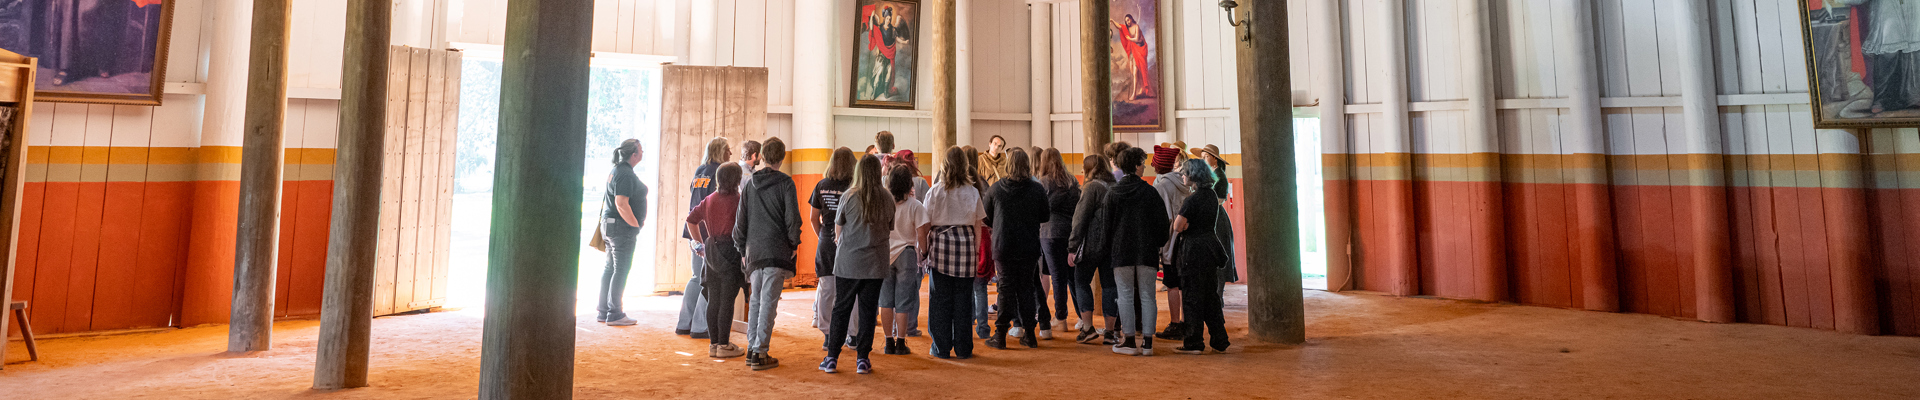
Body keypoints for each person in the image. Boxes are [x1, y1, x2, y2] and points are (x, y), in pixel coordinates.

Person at [822, 155, 895, 375]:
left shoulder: (849, 196)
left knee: (841, 309)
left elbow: (838, 229)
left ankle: (832, 358)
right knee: (868, 311)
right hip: (875, 263)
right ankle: (863, 359)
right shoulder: (887, 197)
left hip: (848, 262)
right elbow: (890, 227)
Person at [734, 137, 802, 371]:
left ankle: (753, 348)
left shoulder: (751, 183)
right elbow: (792, 219)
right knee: (768, 304)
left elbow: (740, 221)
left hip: (754, 252)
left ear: (762, 156)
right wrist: (794, 243)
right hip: (776, 250)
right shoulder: (786, 183)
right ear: (782, 158)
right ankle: (760, 353)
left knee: (755, 301)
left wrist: (742, 248)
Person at [1104, 146, 1170, 356]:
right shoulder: (1150, 192)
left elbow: (1106, 226)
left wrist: (1109, 249)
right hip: (1146, 250)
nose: (1144, 166)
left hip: (1121, 251)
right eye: (1142, 163)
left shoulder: (1113, 192)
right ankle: (1148, 343)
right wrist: (1159, 243)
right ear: (1135, 165)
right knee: (1147, 296)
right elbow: (1162, 224)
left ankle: (1129, 340)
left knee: (1124, 295)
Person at [983, 148, 1050, 350]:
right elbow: (1045, 216)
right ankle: (1030, 335)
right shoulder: (1037, 189)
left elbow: (986, 217)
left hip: (1003, 246)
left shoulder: (995, 189)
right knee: (1026, 289)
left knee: (1005, 289)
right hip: (1029, 246)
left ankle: (1000, 334)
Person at [923, 146, 986, 359]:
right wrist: (977, 253)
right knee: (963, 301)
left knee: (940, 301)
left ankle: (940, 347)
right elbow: (978, 226)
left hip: (941, 247)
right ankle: (963, 348)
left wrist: (923, 250)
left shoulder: (936, 191)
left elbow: (926, 223)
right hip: (966, 247)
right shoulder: (973, 192)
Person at [1170, 159, 1232, 355]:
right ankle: (1219, 339)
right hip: (1209, 248)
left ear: (1193, 176)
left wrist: (1186, 225)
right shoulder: (1212, 196)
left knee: (1192, 297)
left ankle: (1194, 342)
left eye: (1185, 172)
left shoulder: (1192, 200)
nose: (1182, 175)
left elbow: (1178, 226)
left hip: (1192, 250)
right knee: (1210, 296)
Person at [688, 163, 747, 358]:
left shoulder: (709, 200)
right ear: (737, 180)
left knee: (713, 299)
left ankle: (714, 344)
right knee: (727, 300)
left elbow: (691, 220)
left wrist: (699, 244)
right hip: (731, 250)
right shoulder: (739, 200)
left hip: (711, 250)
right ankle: (724, 344)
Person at [676, 138, 730, 339]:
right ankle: (700, 326)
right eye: (728, 150)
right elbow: (715, 204)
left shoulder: (700, 170)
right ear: (721, 152)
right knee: (710, 281)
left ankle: (685, 323)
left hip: (693, 228)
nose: (730, 155)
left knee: (696, 277)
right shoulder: (719, 173)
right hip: (708, 231)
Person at [597, 140, 649, 327]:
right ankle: (615, 313)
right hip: (621, 228)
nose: (643, 152)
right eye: (641, 150)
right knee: (620, 269)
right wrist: (634, 225)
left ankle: (604, 311)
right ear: (634, 154)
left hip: (611, 225)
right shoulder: (625, 174)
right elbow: (621, 203)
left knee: (610, 268)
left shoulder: (617, 170)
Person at [1069, 153, 1119, 344]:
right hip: (1112, 245)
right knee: (1109, 286)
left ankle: (1088, 328)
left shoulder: (1090, 188)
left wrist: (1072, 247)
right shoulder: (1115, 187)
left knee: (1081, 282)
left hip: (1091, 245)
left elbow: (1080, 220)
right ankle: (1110, 332)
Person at [879, 166, 929, 356]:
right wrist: (923, 252)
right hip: (907, 253)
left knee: (885, 301)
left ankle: (888, 342)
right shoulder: (915, 205)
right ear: (910, 184)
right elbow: (921, 232)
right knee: (903, 301)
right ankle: (901, 342)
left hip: (885, 253)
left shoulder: (884, 203)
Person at [810, 148, 856, 345]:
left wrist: (823, 234)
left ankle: (828, 335)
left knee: (827, 288)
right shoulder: (854, 187)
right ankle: (853, 334)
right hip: (850, 241)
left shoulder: (822, 185)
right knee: (851, 289)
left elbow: (813, 218)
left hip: (827, 240)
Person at [1150, 143, 1193, 342]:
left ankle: (1175, 323)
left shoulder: (1161, 186)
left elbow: (1159, 217)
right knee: (1186, 283)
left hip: (1170, 240)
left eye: (1155, 163)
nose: (1152, 165)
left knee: (1171, 283)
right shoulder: (1185, 182)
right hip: (1188, 239)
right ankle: (1187, 322)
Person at [1037, 148, 1082, 334]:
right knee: (1072, 276)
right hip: (1070, 232)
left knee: (1057, 276)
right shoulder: (1072, 181)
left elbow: (1041, 209)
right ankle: (1081, 316)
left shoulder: (1044, 182)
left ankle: (1061, 317)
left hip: (1049, 232)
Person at [962, 145, 996, 339]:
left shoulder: (958, 184)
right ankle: (983, 328)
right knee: (980, 285)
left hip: (966, 235)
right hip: (984, 235)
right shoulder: (982, 183)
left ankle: (970, 321)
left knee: (967, 287)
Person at [1194, 144, 1239, 286]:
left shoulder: (1219, 176)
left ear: (1214, 159)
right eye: (1202, 157)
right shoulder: (1211, 175)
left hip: (1217, 216)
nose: (1204, 160)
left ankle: (1218, 293)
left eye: (1206, 157)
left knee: (1218, 252)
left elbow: (1217, 198)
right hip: (1212, 214)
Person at [1110, 14, 1156, 101]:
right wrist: (1112, 21)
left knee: (1135, 71)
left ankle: (1134, 94)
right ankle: (1142, 88)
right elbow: (1119, 26)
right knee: (1133, 71)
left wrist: (1129, 39)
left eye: (1128, 20)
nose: (1127, 22)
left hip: (1140, 50)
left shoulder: (1136, 27)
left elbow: (1137, 38)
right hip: (1133, 50)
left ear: (1131, 19)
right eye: (1126, 21)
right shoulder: (1127, 28)